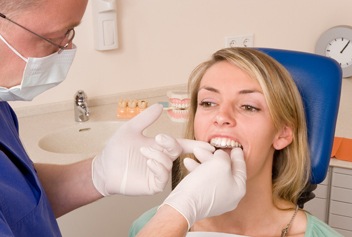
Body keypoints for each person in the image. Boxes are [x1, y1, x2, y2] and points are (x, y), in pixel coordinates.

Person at [0, 1, 248, 236]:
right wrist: (180, 210)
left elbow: (18, 200)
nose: (67, 49)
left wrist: (96, 175)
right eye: (56, 36)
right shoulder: (145, 224)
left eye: (249, 106)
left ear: (285, 131)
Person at [129, 47, 343, 236]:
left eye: (249, 106)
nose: (221, 116)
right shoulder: (151, 226)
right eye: (208, 102)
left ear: (282, 133)